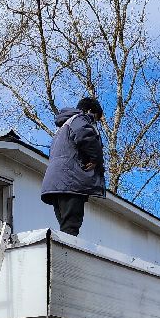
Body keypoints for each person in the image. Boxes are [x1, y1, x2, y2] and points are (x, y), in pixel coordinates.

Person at [41, 96, 106, 236]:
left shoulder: (62, 128)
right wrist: (96, 160)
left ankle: (62, 252)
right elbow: (86, 137)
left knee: (65, 225)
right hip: (70, 181)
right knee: (71, 225)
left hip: (55, 183)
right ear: (89, 111)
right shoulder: (80, 120)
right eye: (95, 118)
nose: (94, 122)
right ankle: (66, 256)